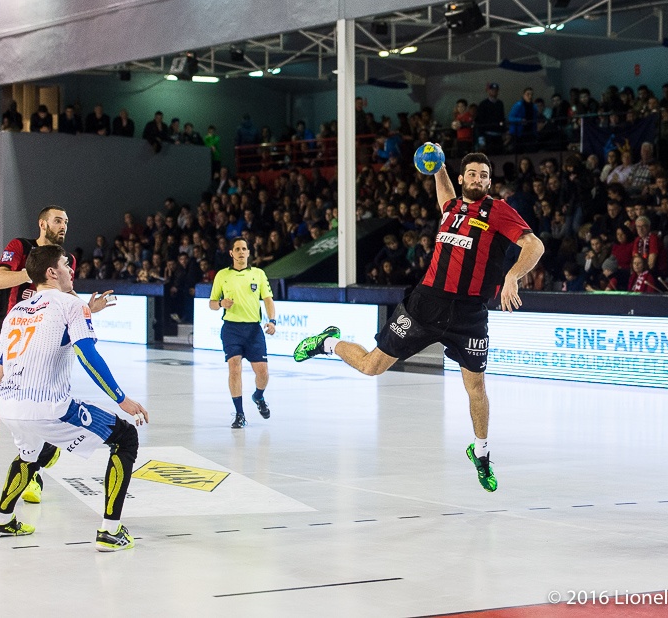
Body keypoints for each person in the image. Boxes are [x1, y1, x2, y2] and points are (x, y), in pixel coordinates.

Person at [292, 152, 544, 492]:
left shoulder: (497, 210)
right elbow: (444, 191)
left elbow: (534, 245)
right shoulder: (451, 208)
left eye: (484, 175)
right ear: (462, 179)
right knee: (371, 366)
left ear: (489, 181)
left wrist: (513, 276)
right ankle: (327, 342)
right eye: (472, 174)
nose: (478, 179)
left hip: (469, 314)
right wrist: (438, 165)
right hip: (426, 303)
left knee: (476, 388)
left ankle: (481, 453)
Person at [0, 245, 148, 551]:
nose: (71, 270)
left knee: (30, 454)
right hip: (49, 408)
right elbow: (87, 355)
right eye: (67, 265)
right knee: (125, 438)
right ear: (52, 272)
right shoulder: (71, 305)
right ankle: (111, 531)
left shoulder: (16, 312)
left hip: (10, 407)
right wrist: (121, 399)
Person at [0, 205, 114, 504]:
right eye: (58, 220)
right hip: (16, 334)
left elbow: (65, 294)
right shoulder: (20, 247)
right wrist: (32, 272)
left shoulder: (65, 258)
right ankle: (37, 458)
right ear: (42, 223)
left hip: (47, 337)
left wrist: (86, 307)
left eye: (66, 222)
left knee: (41, 401)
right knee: (16, 401)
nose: (64, 226)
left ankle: (35, 471)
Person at [208, 237, 277, 428]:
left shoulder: (258, 274)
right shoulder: (222, 275)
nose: (241, 252)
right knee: (234, 367)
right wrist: (221, 303)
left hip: (253, 329)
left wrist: (272, 321)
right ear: (231, 253)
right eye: (237, 249)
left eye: (244, 249)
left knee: (262, 373)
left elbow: (268, 299)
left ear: (248, 252)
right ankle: (239, 414)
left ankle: (258, 396)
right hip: (231, 329)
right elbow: (212, 303)